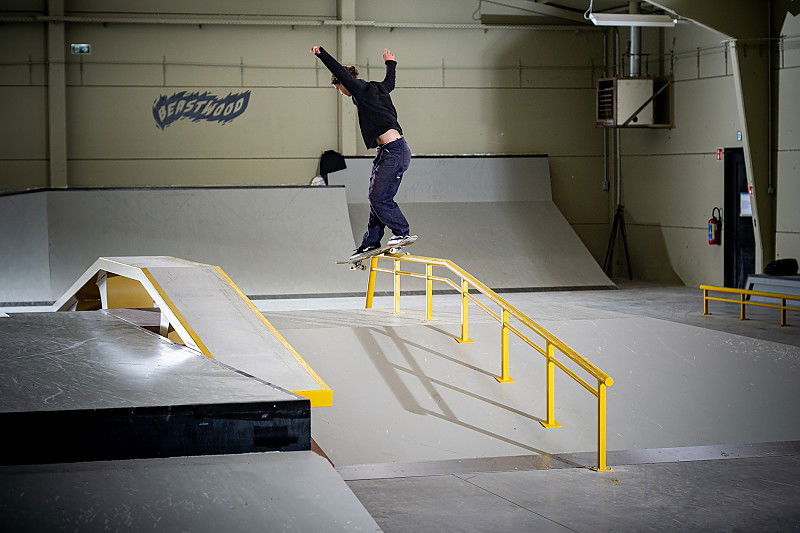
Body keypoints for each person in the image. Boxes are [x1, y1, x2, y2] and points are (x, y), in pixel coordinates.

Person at [311, 45, 416, 260]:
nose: (341, 92)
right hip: (389, 151)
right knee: (378, 198)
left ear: (343, 83)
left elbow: (339, 71)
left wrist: (321, 53)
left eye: (339, 88)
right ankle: (371, 242)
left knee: (378, 197)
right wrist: (390, 63)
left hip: (394, 152)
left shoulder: (358, 88)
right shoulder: (377, 88)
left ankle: (401, 231)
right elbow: (390, 82)